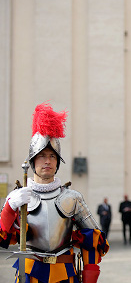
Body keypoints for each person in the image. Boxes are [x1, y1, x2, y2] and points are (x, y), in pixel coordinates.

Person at [0, 103, 109, 283]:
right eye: (42, 156)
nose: (47, 161)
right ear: (33, 161)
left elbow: (93, 240)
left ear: (58, 162)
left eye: (52, 156)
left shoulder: (72, 198)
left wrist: (90, 277)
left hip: (65, 271)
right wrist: (9, 209)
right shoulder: (18, 197)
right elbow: (2, 236)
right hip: (30, 272)